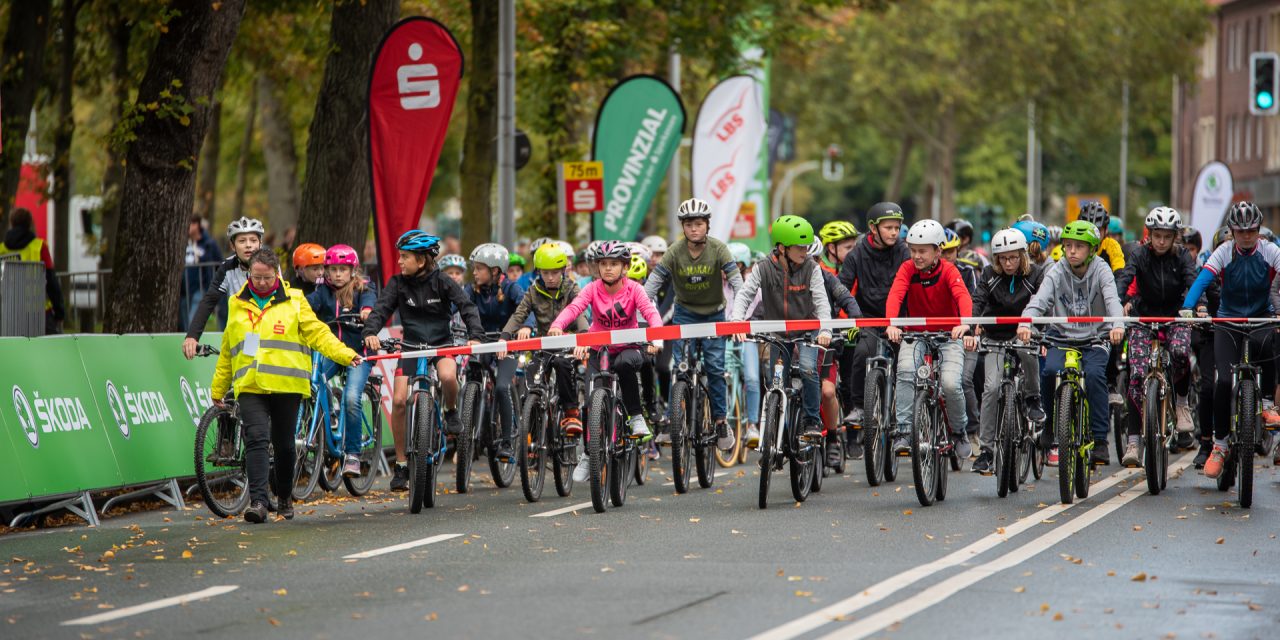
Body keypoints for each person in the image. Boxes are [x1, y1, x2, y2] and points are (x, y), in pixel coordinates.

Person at [211, 249, 360, 523]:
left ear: (277, 275)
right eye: (256, 277)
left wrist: (345, 354)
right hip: (250, 385)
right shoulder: (236, 302)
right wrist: (218, 388)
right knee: (256, 439)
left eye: (267, 278)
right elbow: (228, 348)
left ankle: (284, 497)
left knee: (284, 445)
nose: (262, 282)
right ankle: (258, 502)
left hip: (287, 384)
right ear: (249, 274)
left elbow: (318, 334)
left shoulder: (295, 301)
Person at [362, 231, 484, 491]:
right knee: (398, 401)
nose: (399, 261)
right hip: (410, 347)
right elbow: (380, 310)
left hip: (442, 343)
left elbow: (467, 307)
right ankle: (401, 465)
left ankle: (450, 410)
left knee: (448, 376)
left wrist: (475, 336)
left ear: (421, 260)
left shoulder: (443, 281)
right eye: (400, 256)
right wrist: (370, 332)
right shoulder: (397, 284)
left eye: (404, 257)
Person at [1181, 201, 1280, 479]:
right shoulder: (1224, 252)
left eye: (1251, 231)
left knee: (1269, 343)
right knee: (1223, 381)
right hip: (1228, 321)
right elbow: (1202, 280)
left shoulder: (1270, 251)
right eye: (1241, 231)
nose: (1246, 236)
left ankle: (1268, 404)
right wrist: (1188, 306)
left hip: (1261, 316)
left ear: (1258, 230)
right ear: (1232, 232)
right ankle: (1220, 445)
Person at [549, 241, 663, 482]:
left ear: (625, 267)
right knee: (591, 400)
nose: (608, 268)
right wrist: (558, 325)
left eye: (614, 264)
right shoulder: (592, 289)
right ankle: (588, 454)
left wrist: (657, 335)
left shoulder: (634, 289)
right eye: (603, 264)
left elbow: (650, 313)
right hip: (599, 351)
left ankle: (636, 417)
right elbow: (575, 308)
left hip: (629, 348)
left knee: (623, 365)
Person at [1017, 220, 1126, 467]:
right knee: (1049, 371)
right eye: (1067, 245)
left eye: (1079, 246)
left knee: (1095, 376)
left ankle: (1100, 440)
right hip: (1062, 336)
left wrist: (1117, 325)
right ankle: (1050, 426)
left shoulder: (1102, 270)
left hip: (1096, 337)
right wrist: (1025, 323)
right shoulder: (1057, 270)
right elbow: (1039, 301)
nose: (1072, 251)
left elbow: (1112, 300)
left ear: (1093, 249)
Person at [644, 197, 743, 451]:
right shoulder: (674, 251)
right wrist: (641, 311)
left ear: (707, 225)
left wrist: (738, 316)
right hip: (685, 315)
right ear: (683, 227)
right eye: (688, 224)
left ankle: (720, 422)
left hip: (714, 316)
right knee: (680, 369)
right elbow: (652, 285)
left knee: (715, 368)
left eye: (698, 224)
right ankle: (674, 420)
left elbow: (737, 284)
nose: (694, 229)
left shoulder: (719, 249)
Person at [730, 215, 832, 445]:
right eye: (799, 247)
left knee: (807, 369)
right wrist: (737, 321)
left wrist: (825, 330)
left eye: (806, 246)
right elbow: (745, 295)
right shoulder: (763, 267)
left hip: (807, 331)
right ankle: (775, 431)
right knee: (776, 381)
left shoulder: (812, 268)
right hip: (777, 334)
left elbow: (821, 302)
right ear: (782, 248)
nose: (805, 251)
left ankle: (812, 421)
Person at [1113, 207, 1200, 466]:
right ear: (1149, 235)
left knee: (1180, 352)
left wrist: (1200, 305)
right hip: (1144, 317)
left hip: (1175, 316)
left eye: (1167, 236)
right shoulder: (1139, 254)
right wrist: (1117, 303)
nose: (1161, 241)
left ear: (1175, 237)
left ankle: (1182, 404)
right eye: (1157, 235)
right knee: (1137, 374)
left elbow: (1193, 283)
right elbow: (1125, 279)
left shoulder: (1182, 256)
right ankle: (1133, 441)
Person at [884, 219, 973, 460]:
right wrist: (892, 323)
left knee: (951, 384)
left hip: (949, 335)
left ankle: (959, 432)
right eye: (912, 250)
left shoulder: (949, 271)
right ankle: (904, 431)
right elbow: (895, 294)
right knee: (904, 371)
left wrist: (965, 323)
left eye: (922, 251)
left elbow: (963, 296)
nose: (916, 256)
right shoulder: (907, 269)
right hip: (915, 335)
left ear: (937, 251)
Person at [966, 229, 1045, 474]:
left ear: (1022, 255)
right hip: (995, 336)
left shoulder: (1036, 274)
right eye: (1003, 258)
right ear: (996, 258)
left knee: (1027, 351)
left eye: (1013, 258)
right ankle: (986, 451)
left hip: (1024, 332)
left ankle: (1032, 398)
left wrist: (1038, 330)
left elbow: (1044, 302)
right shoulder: (989, 274)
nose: (1008, 263)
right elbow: (978, 300)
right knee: (990, 388)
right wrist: (971, 327)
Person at [500, 243, 588, 433]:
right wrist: (504, 337)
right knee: (532, 374)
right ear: (538, 271)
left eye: (554, 272)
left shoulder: (572, 288)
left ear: (563, 270)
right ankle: (531, 430)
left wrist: (583, 338)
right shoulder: (533, 291)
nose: (550, 277)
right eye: (545, 272)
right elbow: (519, 315)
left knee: (562, 365)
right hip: (543, 346)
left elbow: (580, 312)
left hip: (568, 345)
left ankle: (571, 412)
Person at [306, 245, 377, 477]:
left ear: (352, 271)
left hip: (358, 353)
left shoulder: (363, 288)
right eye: (333, 269)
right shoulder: (322, 292)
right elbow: (307, 305)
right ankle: (330, 417)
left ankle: (353, 455)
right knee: (311, 381)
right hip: (332, 351)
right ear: (326, 271)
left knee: (351, 397)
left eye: (343, 270)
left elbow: (370, 301)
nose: (337, 274)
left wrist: (367, 311)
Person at [839, 203, 910, 426]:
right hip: (869, 318)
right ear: (873, 228)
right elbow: (841, 288)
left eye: (897, 228)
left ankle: (904, 413)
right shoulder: (856, 254)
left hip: (899, 320)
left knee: (905, 365)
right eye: (888, 227)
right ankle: (859, 407)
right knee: (861, 354)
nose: (894, 232)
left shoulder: (904, 252)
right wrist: (840, 319)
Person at [464, 242, 525, 461]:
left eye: (479, 268)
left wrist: (525, 327)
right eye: (474, 268)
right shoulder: (471, 290)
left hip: (507, 345)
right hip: (482, 343)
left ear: (495, 271)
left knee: (501, 387)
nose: (474, 272)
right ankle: (471, 434)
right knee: (470, 380)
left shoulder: (511, 288)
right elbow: (456, 307)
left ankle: (507, 442)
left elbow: (526, 309)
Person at [807, 240, 861, 466]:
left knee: (828, 392)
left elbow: (847, 299)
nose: (809, 264)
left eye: (814, 260)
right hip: (796, 343)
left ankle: (832, 439)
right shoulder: (784, 278)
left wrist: (855, 322)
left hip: (825, 344)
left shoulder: (827, 278)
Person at [183, 217, 265, 359]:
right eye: (242, 241)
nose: (248, 245)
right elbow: (209, 300)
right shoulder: (227, 268)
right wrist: (192, 336)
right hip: (242, 331)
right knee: (242, 365)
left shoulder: (270, 266)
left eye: (253, 240)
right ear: (233, 246)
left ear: (260, 243)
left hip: (269, 329)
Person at [2, 207, 67, 333]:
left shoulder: (2, 250)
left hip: (8, 314)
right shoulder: (40, 246)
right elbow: (51, 281)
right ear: (30, 223)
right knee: (53, 342)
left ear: (11, 223)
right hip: (39, 312)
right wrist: (59, 312)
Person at [181, 215, 223, 332]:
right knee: (183, 322)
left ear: (196, 225)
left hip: (200, 288)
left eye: (190, 223)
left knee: (192, 321)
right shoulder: (182, 242)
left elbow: (220, 264)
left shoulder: (209, 243)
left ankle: (192, 339)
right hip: (183, 290)